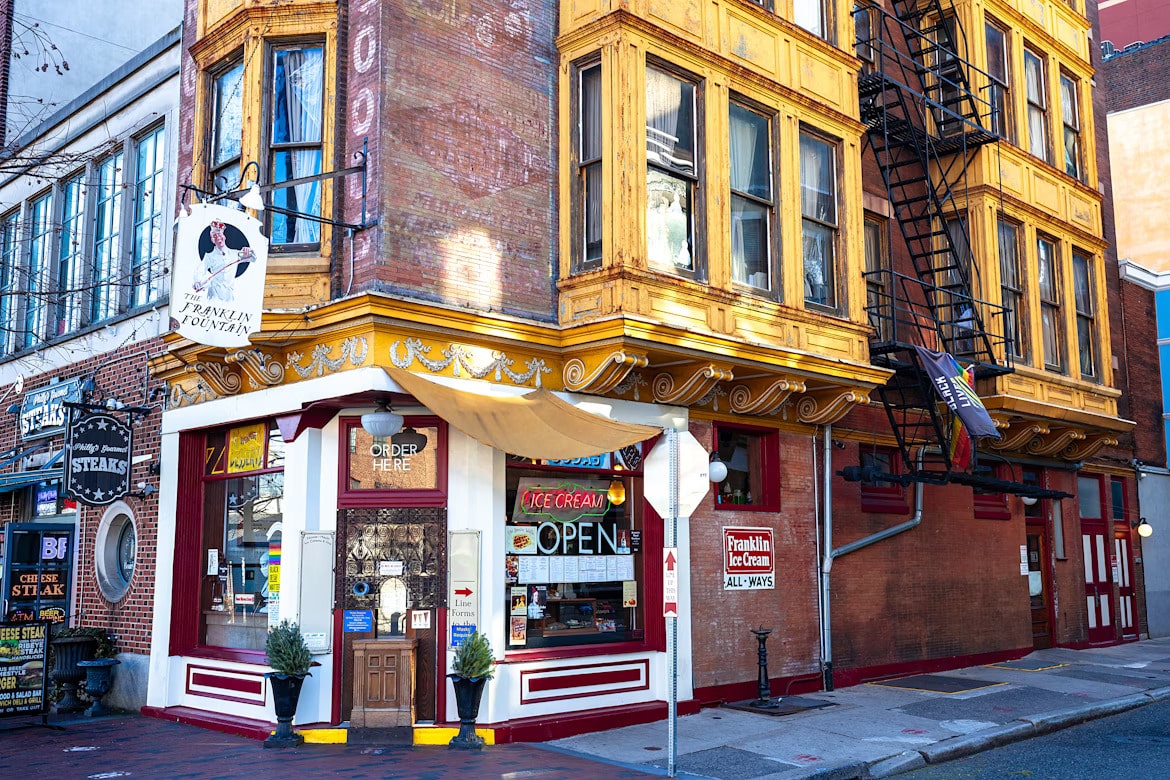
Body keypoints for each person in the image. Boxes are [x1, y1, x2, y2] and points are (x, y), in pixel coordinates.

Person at [195, 220, 254, 302]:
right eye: (214, 236)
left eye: (219, 234)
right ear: (212, 240)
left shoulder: (235, 254)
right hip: (214, 295)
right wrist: (198, 282)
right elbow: (200, 269)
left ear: (224, 237)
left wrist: (249, 251)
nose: (218, 237)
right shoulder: (209, 256)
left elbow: (253, 258)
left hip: (229, 296)